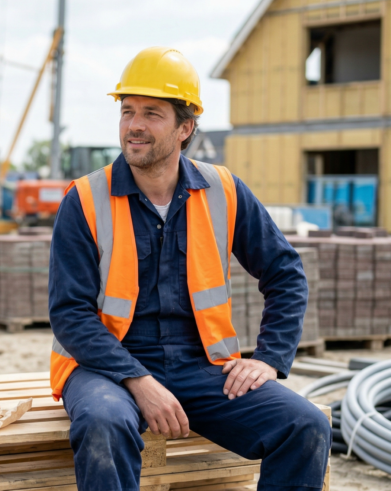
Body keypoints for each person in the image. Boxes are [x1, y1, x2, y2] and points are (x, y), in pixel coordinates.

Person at [48, 46, 331, 491]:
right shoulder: (84, 200)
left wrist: (270, 359)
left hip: (202, 366)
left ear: (186, 127)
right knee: (105, 423)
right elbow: (70, 313)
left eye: (152, 114)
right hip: (105, 366)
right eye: (127, 111)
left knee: (306, 425)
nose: (134, 125)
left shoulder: (224, 190)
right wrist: (138, 380)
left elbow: (285, 273)